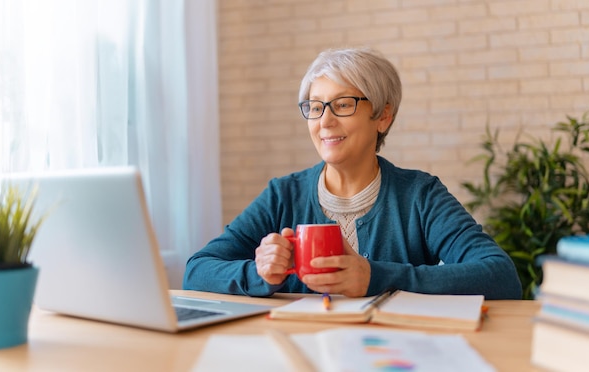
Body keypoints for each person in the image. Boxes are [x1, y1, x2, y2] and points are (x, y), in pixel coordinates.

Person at [183, 47, 522, 300]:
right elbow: (197, 271)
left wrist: (375, 277)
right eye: (315, 107)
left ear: (383, 116)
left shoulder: (420, 195)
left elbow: (501, 277)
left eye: (343, 104)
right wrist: (259, 274)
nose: (325, 121)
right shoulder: (282, 195)